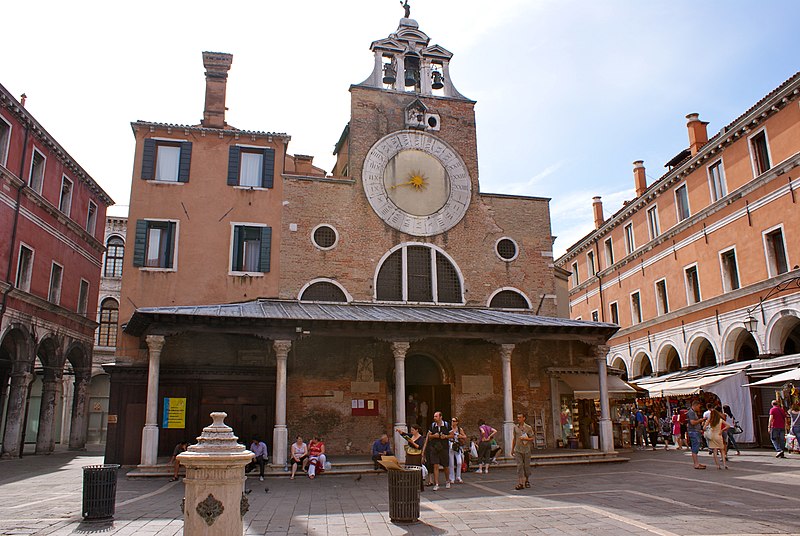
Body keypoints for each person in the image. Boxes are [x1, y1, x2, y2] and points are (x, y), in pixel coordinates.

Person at [427, 411, 452, 490]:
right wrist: (434, 436)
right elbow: (429, 436)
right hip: (435, 448)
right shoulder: (432, 425)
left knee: (445, 466)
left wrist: (445, 436)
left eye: (436, 416)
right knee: (435, 465)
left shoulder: (447, 425)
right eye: (434, 416)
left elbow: (452, 435)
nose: (434, 418)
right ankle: (436, 483)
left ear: (440, 417)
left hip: (444, 448)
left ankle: (447, 481)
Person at [512, 412, 534, 490]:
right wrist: (512, 449)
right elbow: (514, 438)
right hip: (518, 449)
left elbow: (532, 438)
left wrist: (526, 439)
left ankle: (527, 480)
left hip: (526, 450)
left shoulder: (528, 427)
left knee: (526, 466)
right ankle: (520, 483)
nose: (518, 419)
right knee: (519, 466)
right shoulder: (515, 427)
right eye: (517, 417)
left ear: (524, 418)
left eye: (520, 417)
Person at [686, 399, 706, 470]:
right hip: (693, 432)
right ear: (695, 405)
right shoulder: (691, 412)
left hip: (695, 431)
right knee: (695, 447)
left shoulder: (692, 412)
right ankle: (696, 464)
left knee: (696, 447)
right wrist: (700, 420)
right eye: (699, 406)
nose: (699, 408)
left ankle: (696, 463)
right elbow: (692, 422)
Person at [448, 417, 467, 485]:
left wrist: (459, 436)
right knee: (451, 463)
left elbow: (465, 436)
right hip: (450, 445)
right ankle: (451, 477)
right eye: (452, 421)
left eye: (454, 421)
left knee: (459, 462)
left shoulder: (459, 429)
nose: (452, 422)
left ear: (457, 422)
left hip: (457, 446)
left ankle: (458, 476)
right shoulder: (449, 428)